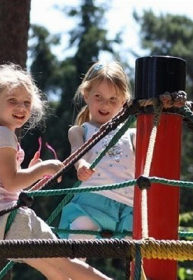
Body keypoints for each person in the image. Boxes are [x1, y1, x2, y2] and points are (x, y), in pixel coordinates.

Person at [0, 63, 111, 280]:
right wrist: (43, 167)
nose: (21, 107)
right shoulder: (2, 135)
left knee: (54, 272)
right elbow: (11, 183)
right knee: (67, 262)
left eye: (26, 103)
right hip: (8, 220)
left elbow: (4, 184)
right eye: (13, 101)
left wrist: (28, 172)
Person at [59, 61, 135, 241]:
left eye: (112, 99)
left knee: (137, 247)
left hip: (127, 206)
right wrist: (82, 165)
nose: (105, 104)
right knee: (81, 229)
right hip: (93, 201)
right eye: (98, 96)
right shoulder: (80, 130)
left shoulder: (131, 134)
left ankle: (139, 270)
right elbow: (78, 152)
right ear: (86, 95)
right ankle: (73, 268)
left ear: (123, 101)